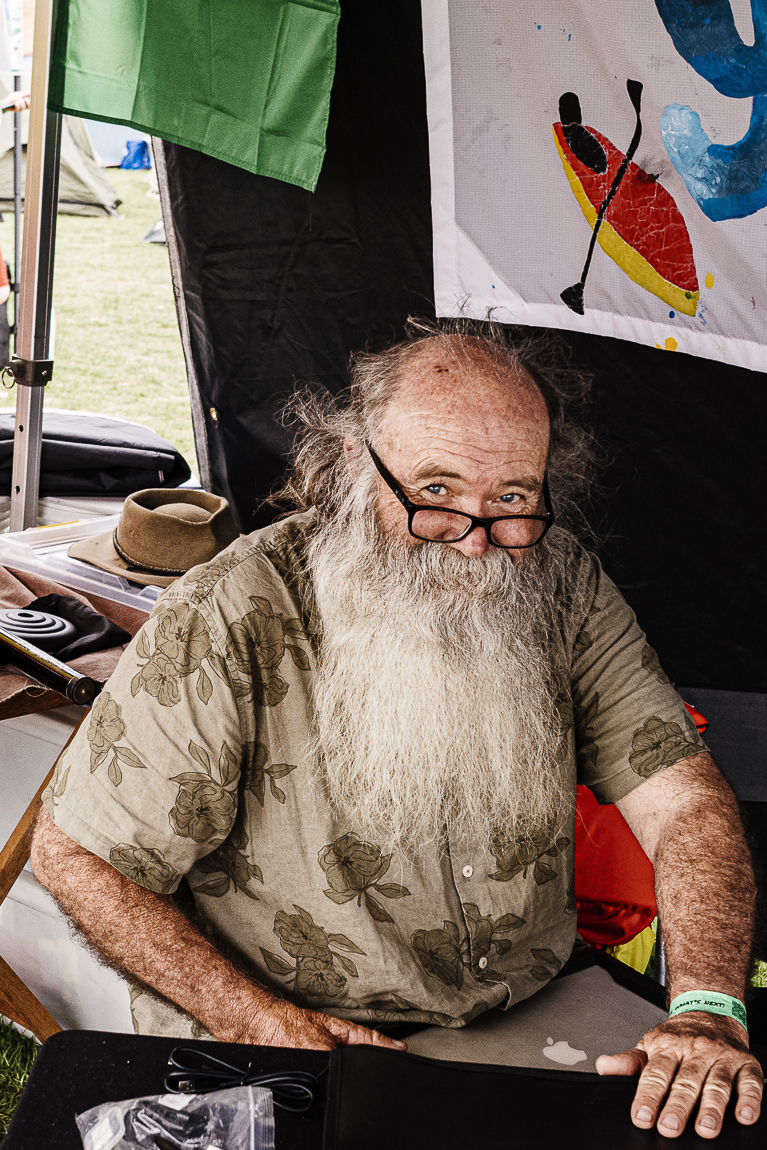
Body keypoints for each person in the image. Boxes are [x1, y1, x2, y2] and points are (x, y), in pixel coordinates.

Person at [32, 322, 762, 1139]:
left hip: (534, 1008)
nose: (476, 544)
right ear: (355, 465)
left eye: (512, 498)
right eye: (436, 491)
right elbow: (77, 855)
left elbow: (684, 803)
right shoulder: (232, 613)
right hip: (292, 1035)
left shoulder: (563, 583)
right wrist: (251, 1018)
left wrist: (706, 1006)